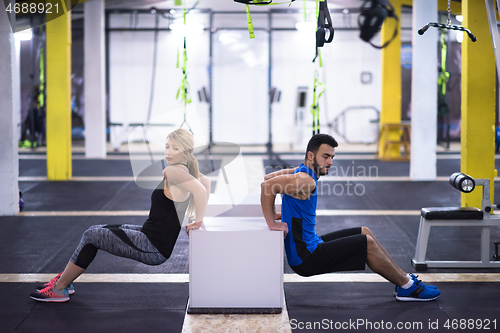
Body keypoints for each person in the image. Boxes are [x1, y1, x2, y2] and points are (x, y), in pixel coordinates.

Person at [30, 128, 210, 302]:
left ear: (186, 152)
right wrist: (196, 216)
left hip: (152, 246)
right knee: (95, 230)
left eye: (175, 148)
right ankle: (66, 282)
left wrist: (198, 220)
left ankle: (60, 288)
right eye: (167, 146)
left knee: (91, 235)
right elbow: (207, 183)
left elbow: (201, 191)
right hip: (149, 236)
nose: (168, 152)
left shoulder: (172, 171)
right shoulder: (187, 170)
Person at [260, 133, 441, 302]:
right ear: (310, 156)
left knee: (364, 232)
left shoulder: (302, 173)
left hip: (311, 245)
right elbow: (267, 187)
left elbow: (268, 178)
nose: (330, 162)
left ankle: (403, 278)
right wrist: (271, 222)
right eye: (325, 156)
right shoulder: (305, 180)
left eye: (332, 157)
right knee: (366, 242)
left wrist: (284, 212)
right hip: (306, 257)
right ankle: (408, 287)